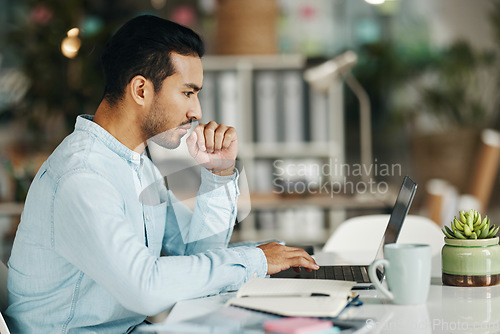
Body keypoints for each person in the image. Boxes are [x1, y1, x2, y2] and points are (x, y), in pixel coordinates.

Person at [5, 15, 319, 333]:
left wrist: (219, 174)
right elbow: (146, 289)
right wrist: (256, 260)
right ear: (141, 89)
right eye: (187, 93)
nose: (196, 111)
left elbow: (194, 254)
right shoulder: (82, 177)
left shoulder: (137, 164)